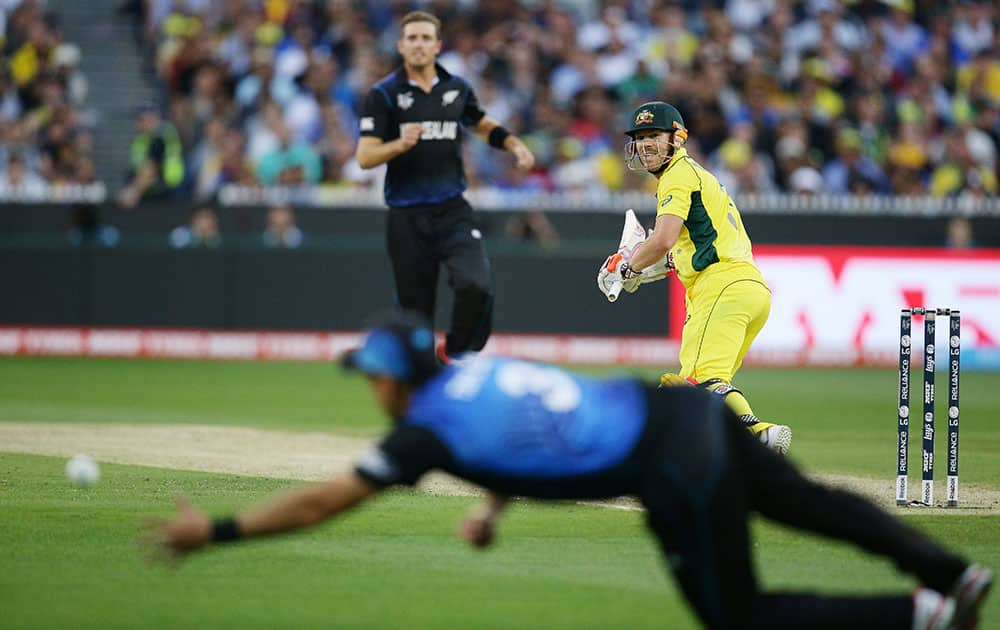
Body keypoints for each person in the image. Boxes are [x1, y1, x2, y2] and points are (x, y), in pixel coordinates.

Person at [140, 309, 993, 630]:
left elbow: (325, 501)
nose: (370, 388)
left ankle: (918, 615)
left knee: (738, 617)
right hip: (685, 408)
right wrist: (495, 509)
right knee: (808, 503)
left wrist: (213, 532)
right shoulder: (471, 373)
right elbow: (529, 428)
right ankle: (952, 575)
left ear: (401, 377)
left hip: (666, 461)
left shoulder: (421, 437)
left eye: (373, 375)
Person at [598, 101, 792, 453]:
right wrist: (638, 268)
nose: (645, 145)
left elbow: (663, 239)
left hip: (722, 287)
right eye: (640, 138)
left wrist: (627, 268)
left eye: (654, 136)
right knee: (690, 385)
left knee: (706, 380)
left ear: (678, 137)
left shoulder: (678, 175)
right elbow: (676, 253)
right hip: (746, 290)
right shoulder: (698, 176)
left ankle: (759, 437)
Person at [354, 11, 535, 364]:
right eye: (412, 38)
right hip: (406, 215)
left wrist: (513, 143)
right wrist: (398, 145)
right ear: (401, 45)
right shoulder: (385, 94)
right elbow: (365, 156)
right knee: (414, 312)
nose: (419, 45)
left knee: (476, 284)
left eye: (426, 38)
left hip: (452, 209)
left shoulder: (455, 89)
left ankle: (456, 353)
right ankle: (418, 381)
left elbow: (480, 123)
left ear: (437, 46)